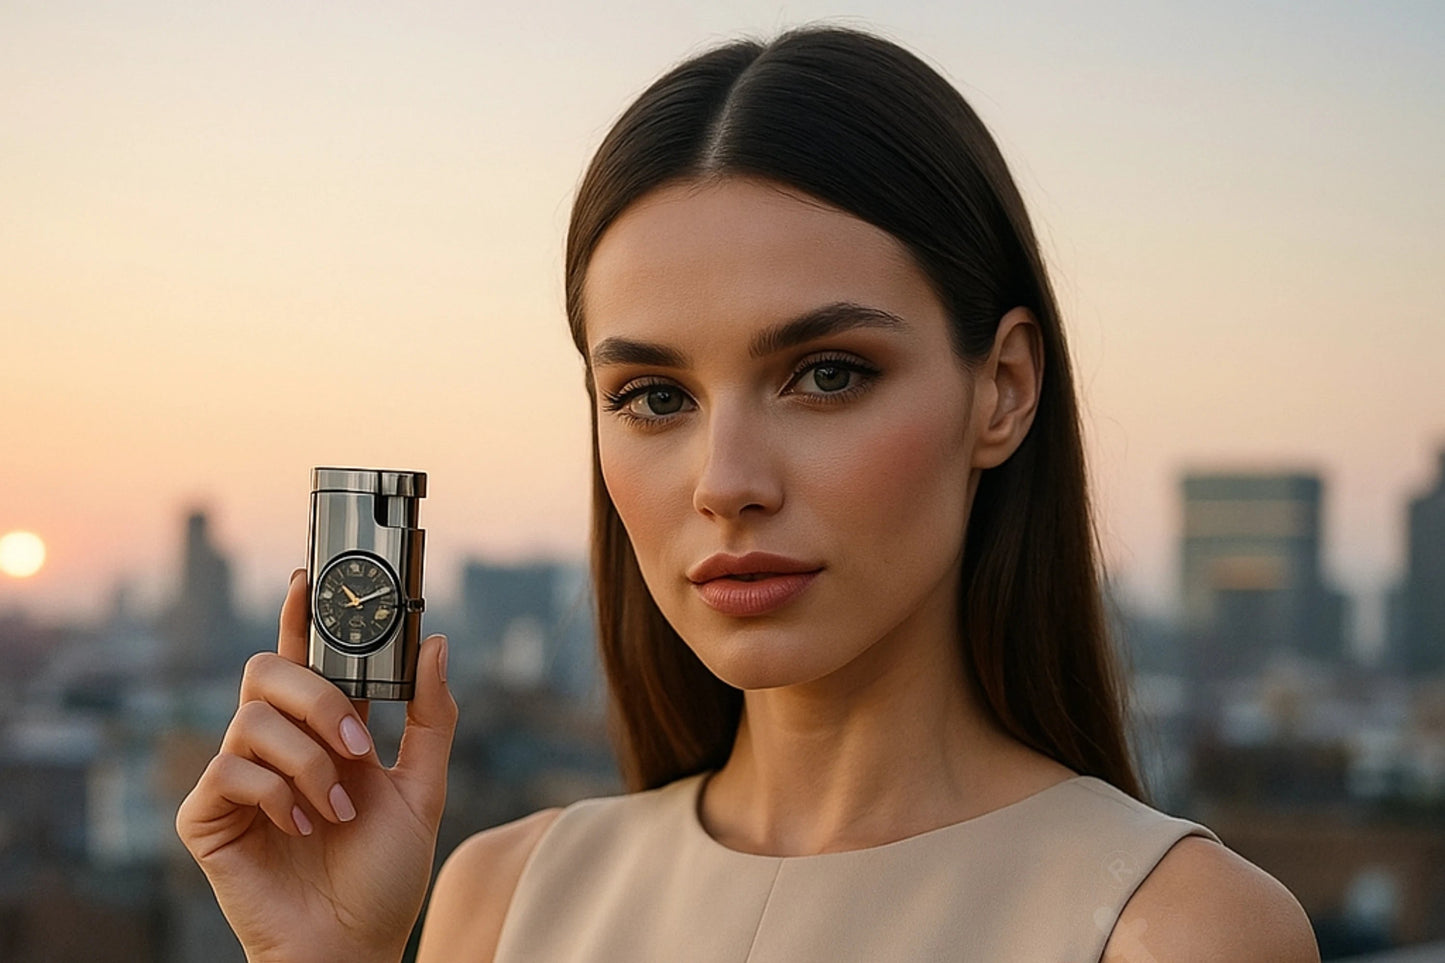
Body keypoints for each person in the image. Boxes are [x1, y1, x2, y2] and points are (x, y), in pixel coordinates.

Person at [177, 24, 1321, 963]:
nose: (725, 485)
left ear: (1002, 391)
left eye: (827, 375)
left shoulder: (1177, 930)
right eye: (652, 396)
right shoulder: (495, 902)